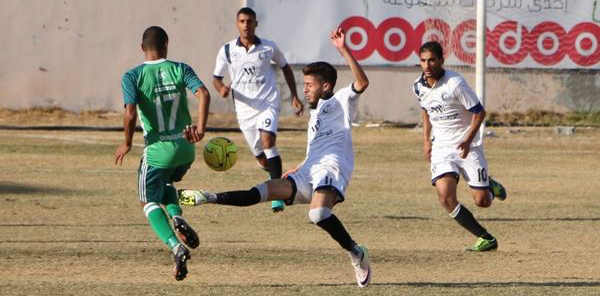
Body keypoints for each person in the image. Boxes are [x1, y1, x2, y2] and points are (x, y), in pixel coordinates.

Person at [180, 28, 372, 287]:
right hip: (308, 171)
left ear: (325, 86)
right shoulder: (314, 115)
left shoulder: (340, 101)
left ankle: (355, 253)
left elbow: (362, 83)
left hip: (332, 169)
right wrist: (298, 166)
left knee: (318, 215)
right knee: (261, 191)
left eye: (309, 85)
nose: (304, 90)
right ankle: (209, 197)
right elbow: (316, 147)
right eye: (303, 85)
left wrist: (343, 50)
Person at [114, 26, 211, 281]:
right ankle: (177, 216)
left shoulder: (132, 76)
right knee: (166, 182)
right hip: (185, 147)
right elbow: (203, 93)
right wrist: (200, 129)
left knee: (147, 201)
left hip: (157, 151)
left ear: (141, 48)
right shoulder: (180, 68)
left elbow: (130, 113)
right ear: (166, 44)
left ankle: (176, 246)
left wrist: (126, 142)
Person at [414, 41, 507, 252]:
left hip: (468, 145)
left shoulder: (455, 83)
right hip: (442, 148)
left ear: (441, 61)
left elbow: (479, 112)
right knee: (445, 196)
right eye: (423, 60)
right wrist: (426, 140)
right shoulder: (418, 86)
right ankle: (485, 237)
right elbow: (426, 111)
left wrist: (467, 139)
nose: (427, 65)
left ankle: (489, 185)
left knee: (483, 202)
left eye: (432, 60)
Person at [213, 7, 304, 213]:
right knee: (261, 157)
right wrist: (222, 90)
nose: (246, 25)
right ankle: (275, 176)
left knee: (268, 141)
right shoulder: (227, 50)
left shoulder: (268, 47)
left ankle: (277, 196)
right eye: (242, 21)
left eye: (250, 21)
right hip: (244, 110)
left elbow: (285, 67)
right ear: (237, 24)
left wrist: (295, 96)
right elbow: (216, 79)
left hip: (267, 103)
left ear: (256, 24)